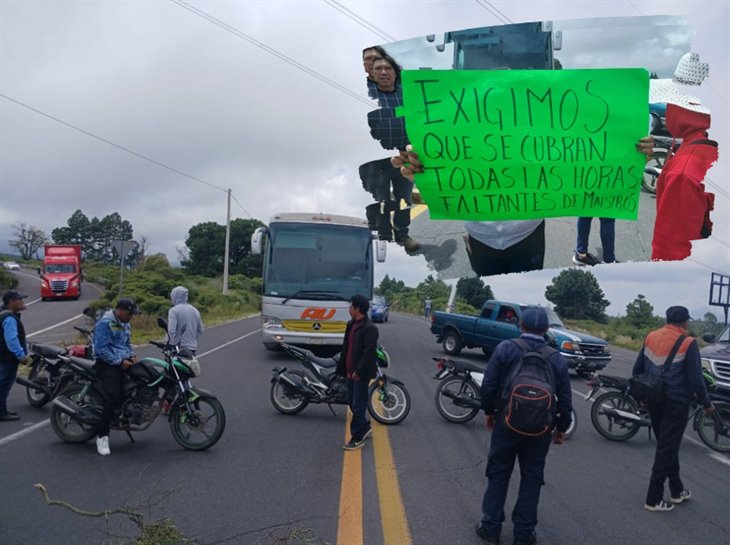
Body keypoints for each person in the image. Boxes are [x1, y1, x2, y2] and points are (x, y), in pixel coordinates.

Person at [393, 137, 655, 275]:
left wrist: (629, 154)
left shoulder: (542, 131)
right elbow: (437, 175)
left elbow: (582, 156)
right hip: (479, 237)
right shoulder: (455, 134)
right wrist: (421, 172)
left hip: (527, 235)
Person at [477, 307, 572, 545]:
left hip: (506, 423)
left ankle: (490, 527)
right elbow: (566, 399)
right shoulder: (556, 357)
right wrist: (561, 428)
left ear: (521, 326)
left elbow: (489, 384)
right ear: (547, 329)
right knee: (532, 479)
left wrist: (489, 412)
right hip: (540, 430)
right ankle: (524, 533)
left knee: (498, 474)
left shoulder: (506, 348)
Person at [632, 305, 714, 512]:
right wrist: (707, 403)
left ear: (666, 320)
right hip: (676, 402)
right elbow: (696, 380)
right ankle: (653, 498)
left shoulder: (651, 336)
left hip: (653, 399)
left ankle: (676, 490)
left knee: (668, 445)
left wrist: (641, 398)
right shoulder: (688, 342)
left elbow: (637, 370)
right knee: (666, 448)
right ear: (685, 323)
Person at [92, 297, 140, 456]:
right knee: (113, 397)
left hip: (123, 361)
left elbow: (127, 343)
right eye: (130, 314)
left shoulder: (125, 323)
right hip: (107, 363)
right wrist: (119, 362)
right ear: (121, 311)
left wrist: (131, 355)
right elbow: (101, 349)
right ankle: (102, 436)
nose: (131, 317)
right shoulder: (104, 324)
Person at [336, 294, 379, 450]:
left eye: (350, 306)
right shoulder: (351, 324)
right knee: (353, 404)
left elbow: (369, 353)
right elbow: (346, 348)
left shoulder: (370, 328)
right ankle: (365, 427)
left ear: (357, 309)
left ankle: (357, 438)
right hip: (349, 372)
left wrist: (358, 372)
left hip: (360, 374)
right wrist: (342, 369)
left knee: (358, 406)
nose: (349, 309)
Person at [0, 290, 29, 421]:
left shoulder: (4, 314)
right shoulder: (10, 318)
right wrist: (20, 355)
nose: (22, 302)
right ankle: (1, 411)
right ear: (11, 302)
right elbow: (11, 339)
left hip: (3, 355)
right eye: (20, 300)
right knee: (4, 383)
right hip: (8, 357)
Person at [167, 286, 204, 356]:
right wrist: (192, 337)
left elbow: (171, 330)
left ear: (175, 296)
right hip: (192, 347)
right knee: (190, 366)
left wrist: (170, 344)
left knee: (174, 366)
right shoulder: (195, 310)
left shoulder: (173, 311)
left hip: (178, 348)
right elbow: (201, 330)